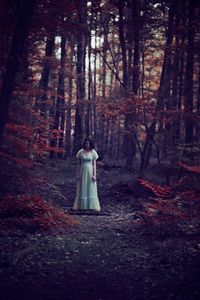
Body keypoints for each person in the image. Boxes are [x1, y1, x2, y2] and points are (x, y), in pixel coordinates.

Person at [73, 138, 101, 211]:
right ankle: (81, 206)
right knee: (82, 187)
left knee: (90, 187)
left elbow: (94, 165)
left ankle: (91, 205)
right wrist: (77, 174)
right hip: (82, 171)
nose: (87, 145)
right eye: (86, 143)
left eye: (88, 143)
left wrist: (94, 175)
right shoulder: (80, 152)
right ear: (84, 144)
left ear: (90, 144)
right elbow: (78, 165)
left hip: (90, 171)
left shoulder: (93, 152)